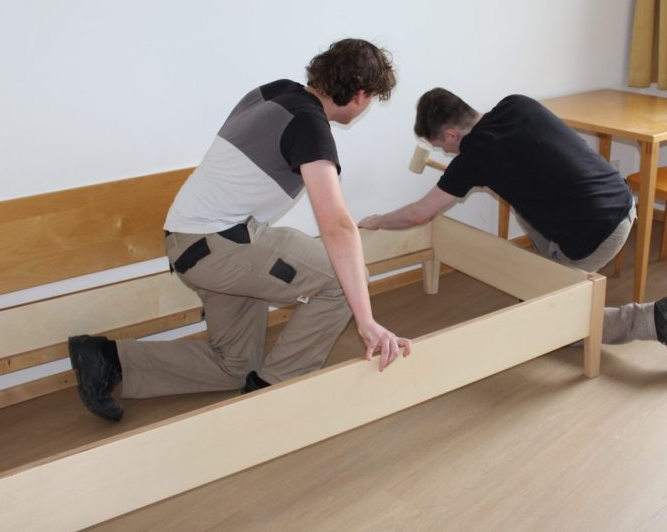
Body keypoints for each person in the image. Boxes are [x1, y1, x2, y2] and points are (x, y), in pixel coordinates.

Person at [69, 39, 413, 421]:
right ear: (360, 95)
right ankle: (272, 392)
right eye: (371, 98)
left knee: (234, 365)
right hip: (219, 245)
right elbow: (337, 225)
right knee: (344, 280)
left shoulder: (275, 92)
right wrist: (366, 320)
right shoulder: (309, 124)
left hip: (192, 243)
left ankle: (107, 359)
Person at [358, 88, 667, 375]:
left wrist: (379, 220)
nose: (446, 153)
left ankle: (654, 319)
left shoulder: (474, 157)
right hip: (620, 200)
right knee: (520, 201)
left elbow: (419, 214)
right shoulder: (516, 104)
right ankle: (547, 277)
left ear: (451, 135)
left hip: (596, 232)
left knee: (552, 319)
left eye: (443, 147)